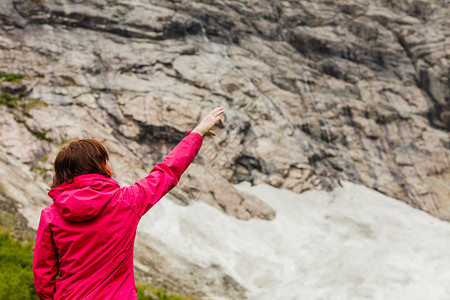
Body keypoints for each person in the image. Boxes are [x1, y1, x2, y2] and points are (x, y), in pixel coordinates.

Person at [32, 106, 225, 299]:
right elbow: (167, 171)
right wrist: (197, 133)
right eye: (105, 160)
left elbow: (43, 277)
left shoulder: (50, 215)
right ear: (97, 166)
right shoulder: (126, 201)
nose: (110, 165)